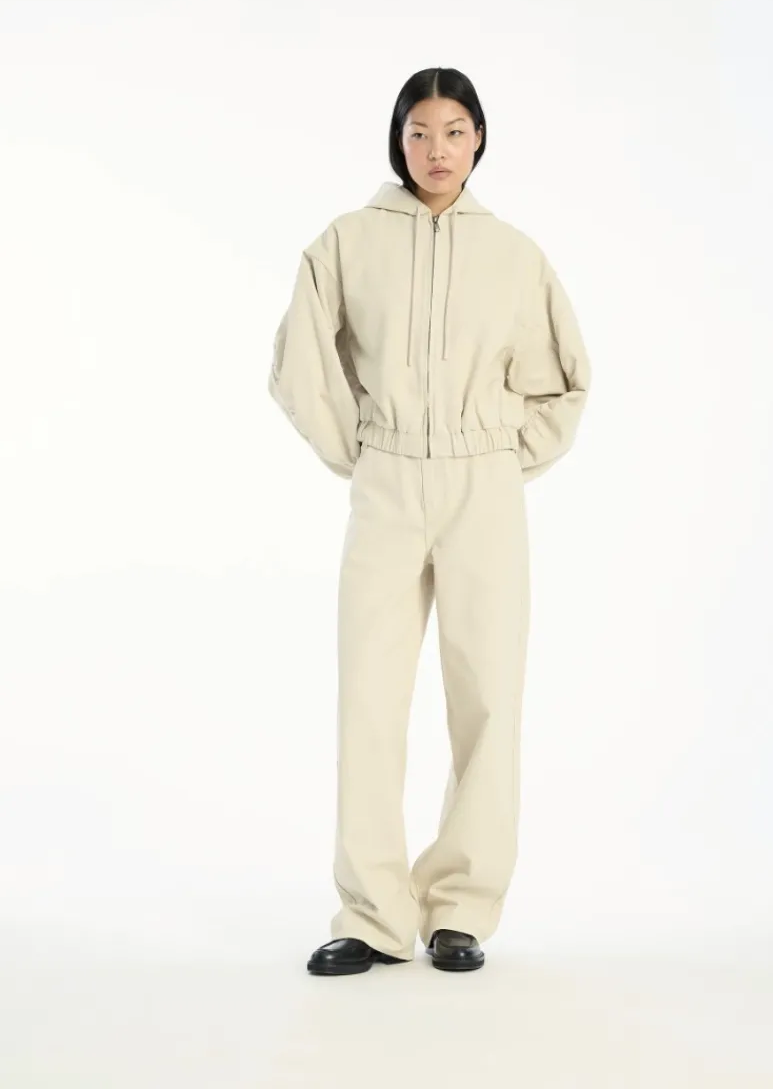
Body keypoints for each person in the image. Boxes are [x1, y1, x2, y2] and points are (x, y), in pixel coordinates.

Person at [268, 67, 592, 975]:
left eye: (454, 131)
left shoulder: (515, 255)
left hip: (483, 487)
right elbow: (300, 361)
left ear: (479, 137)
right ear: (398, 138)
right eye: (419, 132)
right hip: (387, 481)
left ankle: (460, 909)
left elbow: (564, 381)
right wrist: (365, 449)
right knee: (369, 694)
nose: (436, 150)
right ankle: (373, 914)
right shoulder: (345, 242)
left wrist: (496, 455)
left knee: (487, 694)